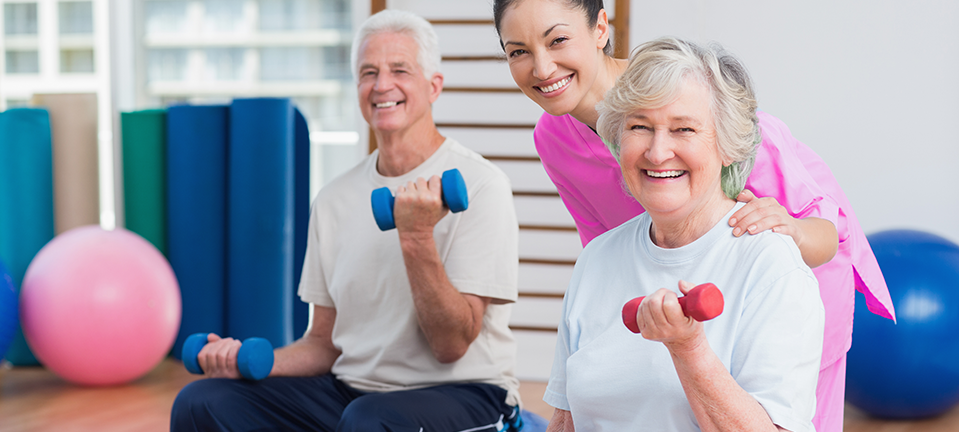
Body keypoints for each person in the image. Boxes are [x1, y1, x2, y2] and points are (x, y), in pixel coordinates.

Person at [491, 1, 895, 430]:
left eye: (558, 40)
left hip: (789, 283)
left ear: (601, 28)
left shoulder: (701, 103)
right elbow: (602, 251)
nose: (542, 67)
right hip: (682, 291)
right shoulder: (554, 138)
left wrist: (789, 230)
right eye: (518, 51)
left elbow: (825, 234)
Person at [171, 10, 523, 431]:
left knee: (367, 421)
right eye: (368, 72)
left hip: (466, 392)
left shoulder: (482, 185)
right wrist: (243, 362)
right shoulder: (334, 199)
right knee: (201, 401)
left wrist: (414, 236)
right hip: (353, 393)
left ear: (434, 87)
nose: (381, 85)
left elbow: (451, 347)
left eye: (399, 70)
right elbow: (323, 343)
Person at [544, 37, 824, 431]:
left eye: (683, 129)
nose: (657, 153)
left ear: (727, 145)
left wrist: (688, 348)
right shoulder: (598, 258)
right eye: (639, 127)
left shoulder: (771, 266)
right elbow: (565, 418)